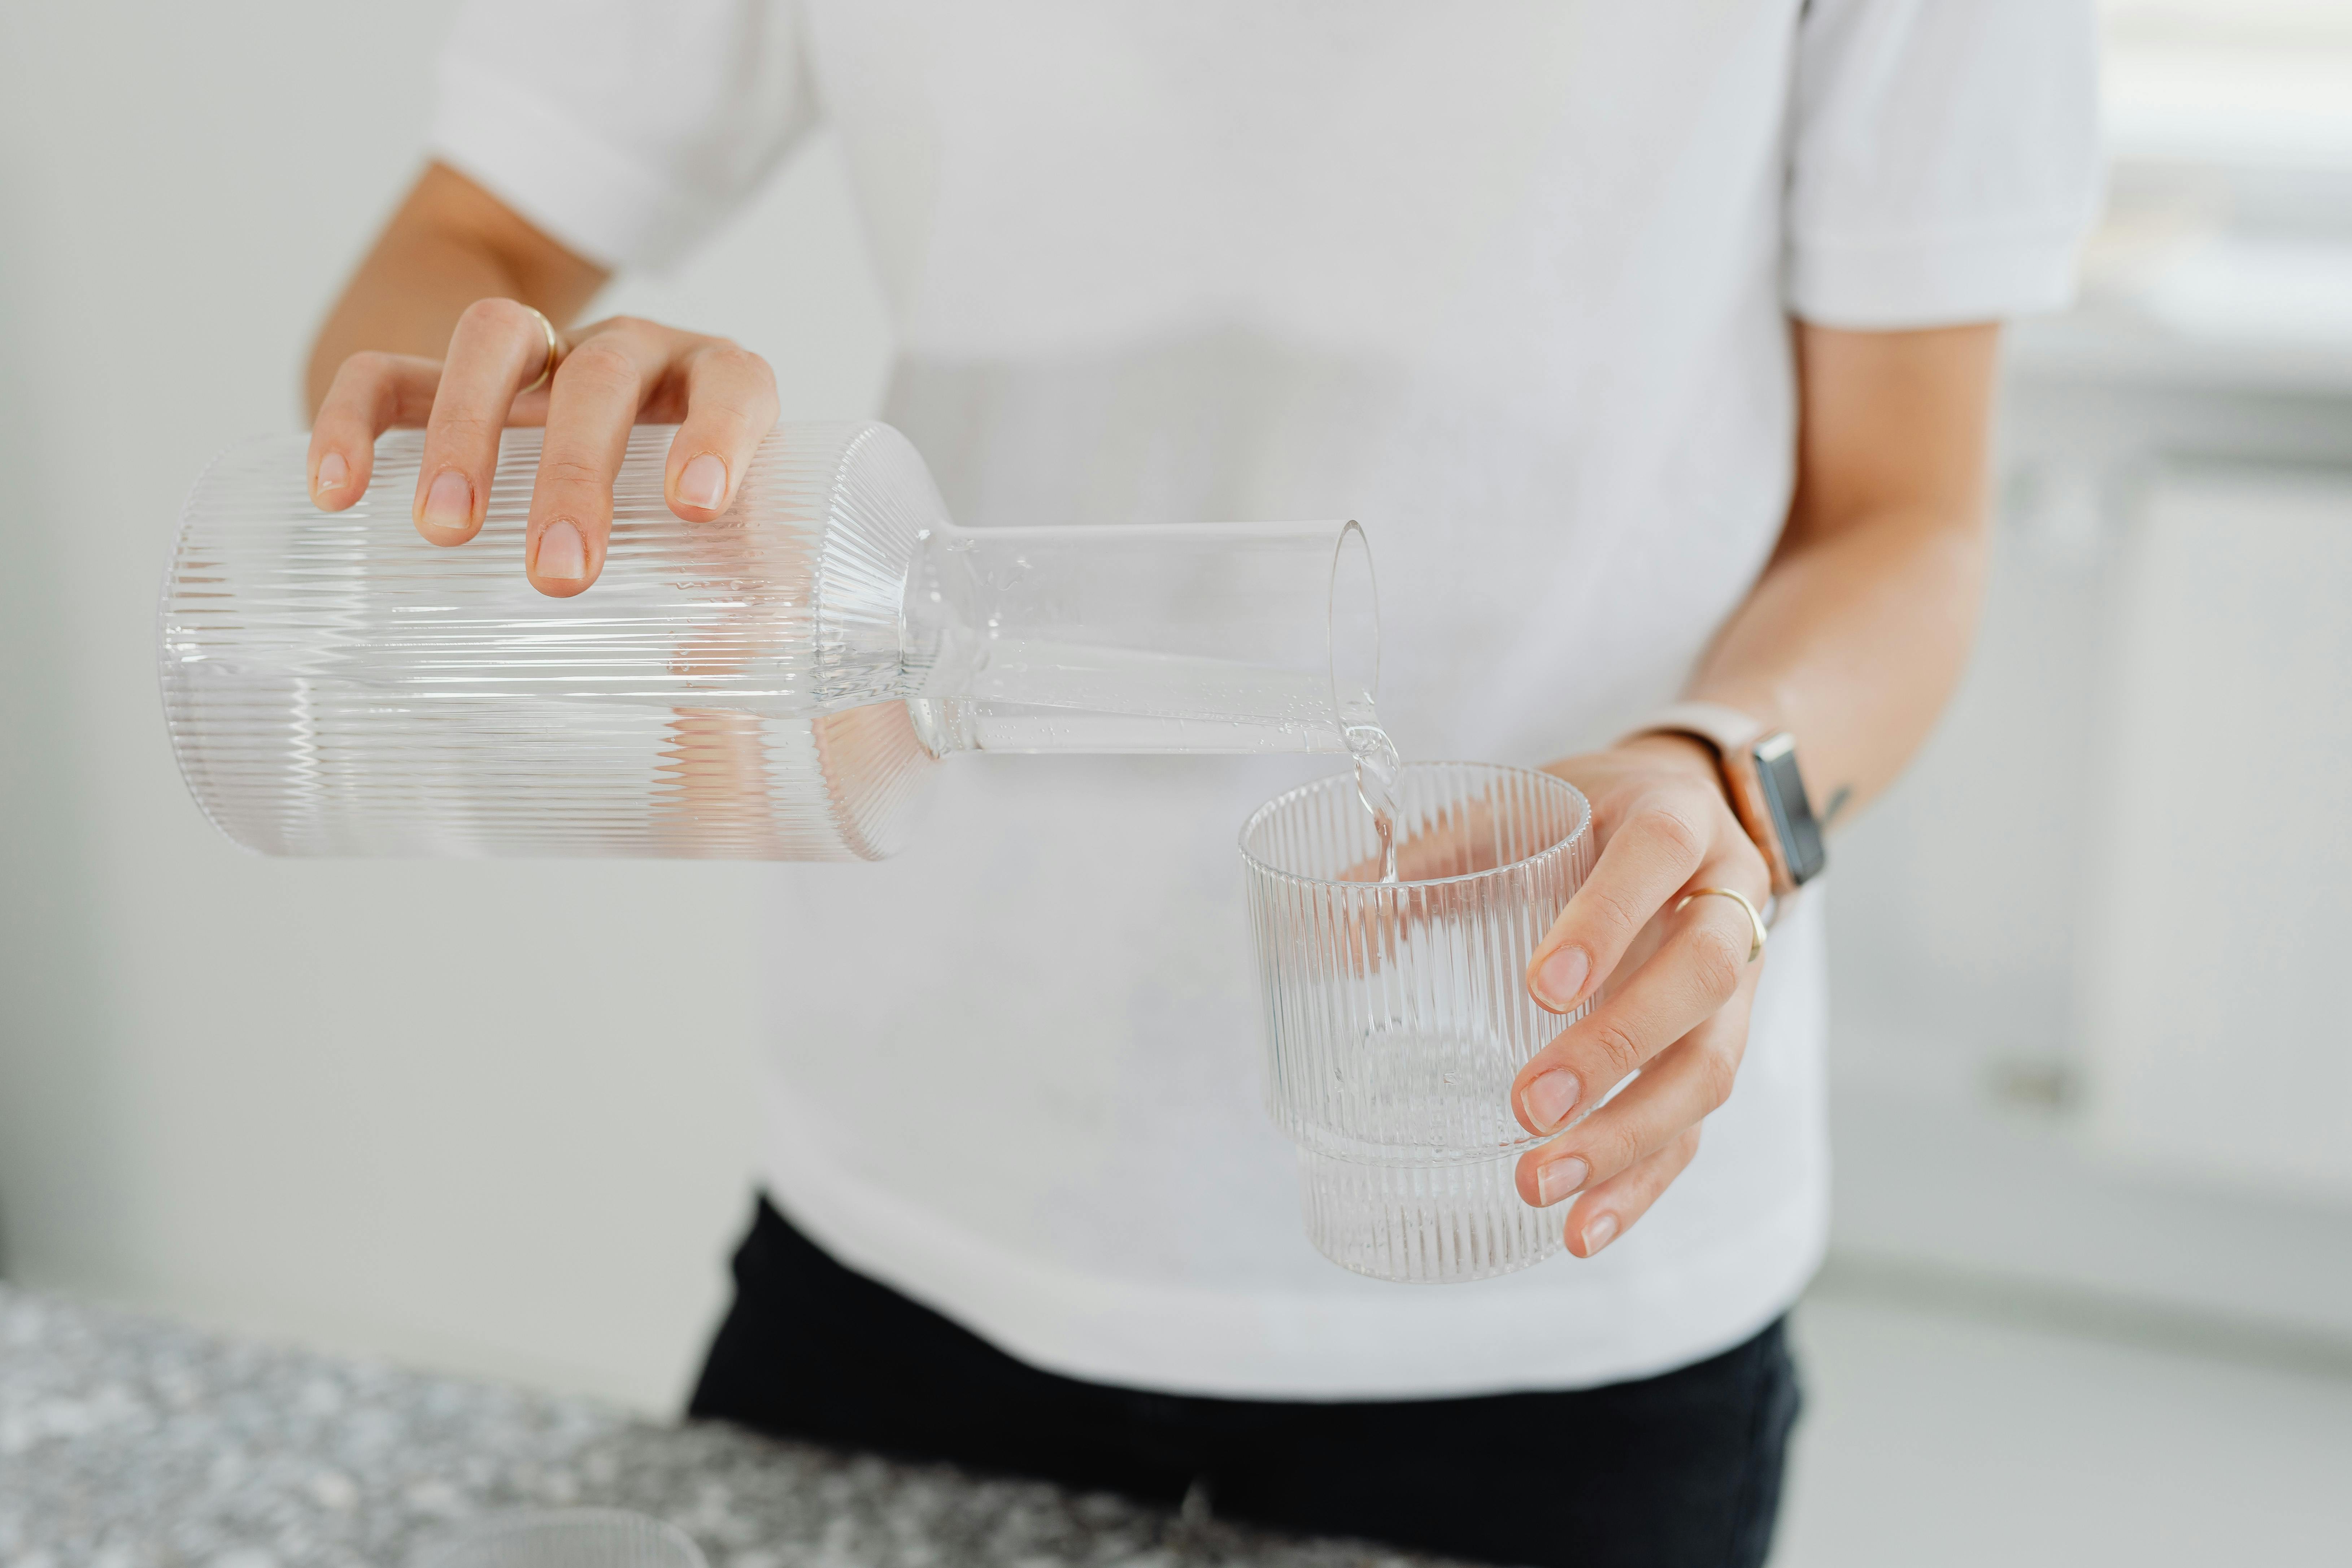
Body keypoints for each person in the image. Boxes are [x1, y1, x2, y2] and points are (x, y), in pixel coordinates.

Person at [304, 4, 2099, 1563]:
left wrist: (1726, 780)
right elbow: (459, 247)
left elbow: (1908, 521)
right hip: (924, 1208)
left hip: (1555, 1270)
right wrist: (546, 445)